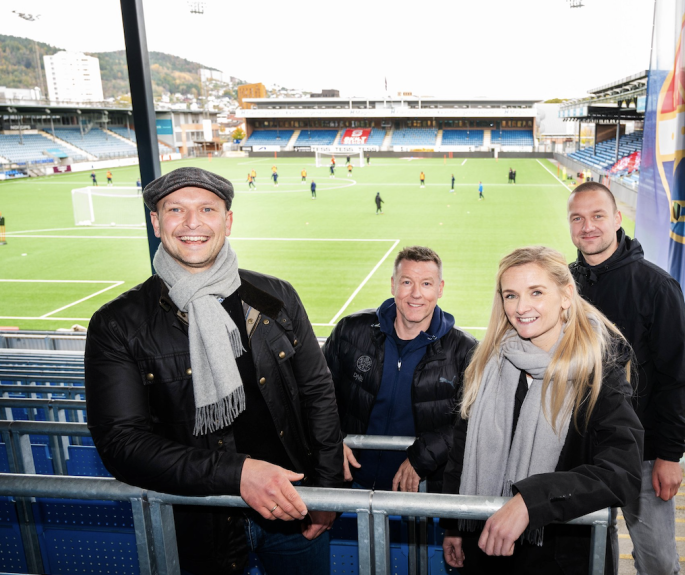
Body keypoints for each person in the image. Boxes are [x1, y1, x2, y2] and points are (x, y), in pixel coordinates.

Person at [85, 167, 343, 575]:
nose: (192, 223)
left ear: (228, 220)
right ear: (156, 222)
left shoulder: (276, 297)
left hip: (294, 508)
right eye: (175, 210)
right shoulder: (118, 324)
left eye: (207, 208)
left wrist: (328, 493)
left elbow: (317, 392)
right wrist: (237, 473)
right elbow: (120, 443)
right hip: (198, 522)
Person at [442, 246, 643, 575]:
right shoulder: (487, 362)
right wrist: (453, 525)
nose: (521, 308)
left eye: (536, 292)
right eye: (511, 295)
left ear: (565, 295)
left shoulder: (598, 370)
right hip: (486, 549)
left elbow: (623, 472)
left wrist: (531, 501)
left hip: (562, 559)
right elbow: (462, 450)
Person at [567, 182, 685, 575]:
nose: (587, 227)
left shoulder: (656, 286)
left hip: (643, 456)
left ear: (618, 219)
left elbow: (677, 378)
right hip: (579, 454)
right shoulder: (562, 287)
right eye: (577, 218)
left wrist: (669, 454)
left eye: (597, 216)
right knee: (587, 558)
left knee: (656, 561)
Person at [323, 246, 477, 493]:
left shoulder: (464, 351)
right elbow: (317, 395)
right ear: (393, 285)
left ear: (440, 288)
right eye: (407, 282)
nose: (416, 294)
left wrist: (422, 459)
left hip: (419, 491)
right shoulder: (350, 332)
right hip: (348, 483)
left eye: (426, 284)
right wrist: (330, 442)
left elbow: (473, 422)